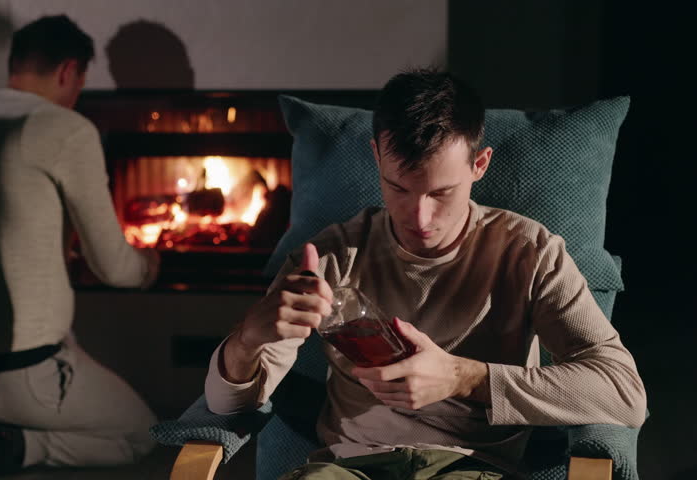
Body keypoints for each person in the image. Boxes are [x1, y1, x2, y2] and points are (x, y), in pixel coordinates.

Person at [205, 69, 646, 479]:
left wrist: (463, 377)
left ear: (480, 165)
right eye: (399, 188)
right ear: (376, 156)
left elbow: (625, 394)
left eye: (441, 192)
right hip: (350, 468)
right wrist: (247, 340)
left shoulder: (528, 252)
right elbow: (226, 406)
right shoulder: (327, 256)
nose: (420, 217)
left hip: (471, 468)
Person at [0, 15, 160, 478]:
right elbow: (118, 270)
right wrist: (152, 263)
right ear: (68, 71)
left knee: (66, 345)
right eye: (80, 81)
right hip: (9, 370)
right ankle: (15, 446)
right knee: (143, 433)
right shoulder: (65, 127)